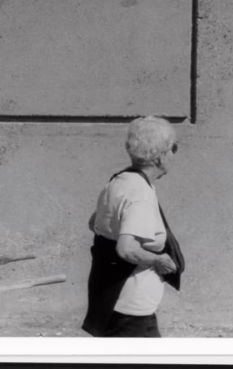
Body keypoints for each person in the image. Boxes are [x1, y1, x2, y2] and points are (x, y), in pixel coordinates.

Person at [82, 116, 184, 337]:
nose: (174, 155)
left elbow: (95, 223)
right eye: (173, 148)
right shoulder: (140, 195)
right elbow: (126, 249)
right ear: (160, 156)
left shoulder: (119, 181)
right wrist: (159, 259)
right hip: (132, 308)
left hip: (110, 297)